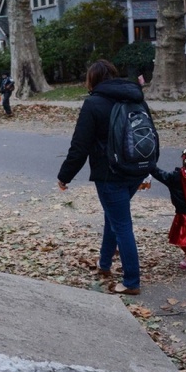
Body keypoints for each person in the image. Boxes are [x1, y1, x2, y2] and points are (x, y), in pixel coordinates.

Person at [57, 59, 152, 296]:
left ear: (92, 80)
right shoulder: (135, 97)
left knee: (121, 224)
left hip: (110, 175)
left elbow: (80, 146)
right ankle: (105, 264)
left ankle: (131, 281)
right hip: (136, 169)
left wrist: (64, 176)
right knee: (114, 217)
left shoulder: (93, 103)